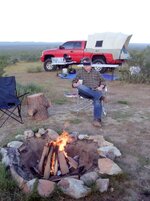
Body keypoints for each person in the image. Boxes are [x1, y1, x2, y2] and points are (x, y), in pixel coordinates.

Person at [72, 57, 106, 127]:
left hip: (95, 90)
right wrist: (76, 84)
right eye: (84, 65)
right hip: (84, 92)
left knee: (97, 101)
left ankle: (96, 120)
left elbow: (103, 81)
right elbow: (73, 83)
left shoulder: (96, 72)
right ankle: (100, 96)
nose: (86, 67)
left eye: (87, 65)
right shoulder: (80, 73)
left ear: (91, 65)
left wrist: (101, 87)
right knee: (80, 86)